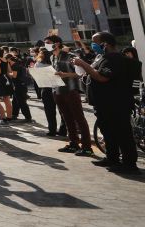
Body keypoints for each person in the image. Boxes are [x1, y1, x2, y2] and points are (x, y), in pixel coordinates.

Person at [74, 32, 140, 175]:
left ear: (105, 44)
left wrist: (83, 64)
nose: (93, 45)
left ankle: (129, 164)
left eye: (95, 42)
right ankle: (112, 158)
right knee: (108, 132)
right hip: (104, 104)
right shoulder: (102, 58)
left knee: (122, 133)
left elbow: (103, 78)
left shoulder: (114, 59)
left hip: (116, 104)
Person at [49, 40, 93, 156]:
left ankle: (87, 147)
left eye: (48, 42)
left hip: (71, 90)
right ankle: (73, 143)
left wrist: (66, 74)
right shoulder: (52, 57)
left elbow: (82, 73)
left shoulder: (70, 56)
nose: (46, 45)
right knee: (67, 118)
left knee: (79, 118)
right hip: (57, 91)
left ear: (57, 43)